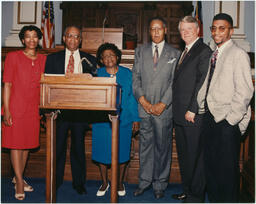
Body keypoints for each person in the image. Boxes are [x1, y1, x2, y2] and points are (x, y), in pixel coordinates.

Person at [197, 13, 254, 202]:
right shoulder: (215, 53)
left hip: (227, 122)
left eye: (222, 28)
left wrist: (230, 121)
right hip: (210, 119)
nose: (216, 32)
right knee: (212, 170)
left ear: (230, 31)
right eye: (213, 28)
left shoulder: (238, 54)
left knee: (227, 173)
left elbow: (245, 91)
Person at [44, 25, 97, 194]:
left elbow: (94, 87)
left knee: (78, 148)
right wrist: (46, 110)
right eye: (69, 36)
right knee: (57, 148)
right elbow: (46, 84)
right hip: (58, 112)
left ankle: (79, 183)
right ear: (64, 38)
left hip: (80, 112)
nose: (73, 40)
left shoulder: (89, 59)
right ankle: (56, 180)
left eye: (76, 37)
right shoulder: (53, 59)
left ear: (80, 40)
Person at [132, 16, 180, 199]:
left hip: (164, 110)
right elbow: (135, 79)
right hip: (144, 108)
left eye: (159, 28)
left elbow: (175, 83)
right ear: (149, 31)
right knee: (144, 147)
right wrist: (143, 101)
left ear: (165, 30)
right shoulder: (140, 51)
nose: (156, 32)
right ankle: (144, 182)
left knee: (162, 148)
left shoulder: (174, 54)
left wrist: (162, 104)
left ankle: (160, 184)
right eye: (152, 29)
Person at [2, 25, 46, 200]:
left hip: (33, 108)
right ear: (22, 40)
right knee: (15, 144)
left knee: (27, 143)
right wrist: (6, 110)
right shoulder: (13, 57)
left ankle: (17, 176)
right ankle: (19, 181)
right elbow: (7, 84)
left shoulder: (43, 59)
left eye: (35, 36)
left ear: (39, 39)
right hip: (15, 107)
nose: (31, 40)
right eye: (27, 37)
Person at [172, 16, 212, 202]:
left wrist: (193, 109)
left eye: (189, 28)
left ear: (198, 30)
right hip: (179, 114)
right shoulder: (186, 51)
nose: (185, 32)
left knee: (195, 157)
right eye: (182, 29)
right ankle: (187, 191)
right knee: (185, 156)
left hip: (192, 115)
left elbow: (202, 82)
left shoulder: (203, 51)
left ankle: (196, 197)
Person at [92, 43, 140, 197]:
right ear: (101, 59)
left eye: (111, 55)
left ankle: (119, 182)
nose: (109, 58)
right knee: (101, 151)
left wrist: (135, 119)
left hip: (124, 120)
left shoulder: (128, 74)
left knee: (123, 152)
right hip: (101, 121)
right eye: (105, 56)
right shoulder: (97, 74)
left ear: (118, 56)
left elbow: (132, 98)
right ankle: (105, 182)